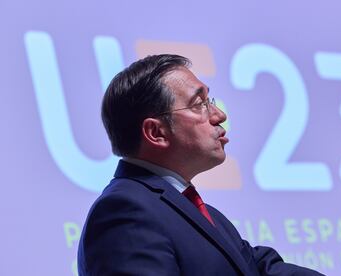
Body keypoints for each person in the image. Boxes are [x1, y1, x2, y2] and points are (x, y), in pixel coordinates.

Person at [77, 54, 324, 275]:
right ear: (156, 132)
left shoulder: (203, 213)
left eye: (210, 100)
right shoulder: (125, 211)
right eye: (199, 104)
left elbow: (261, 268)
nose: (219, 115)